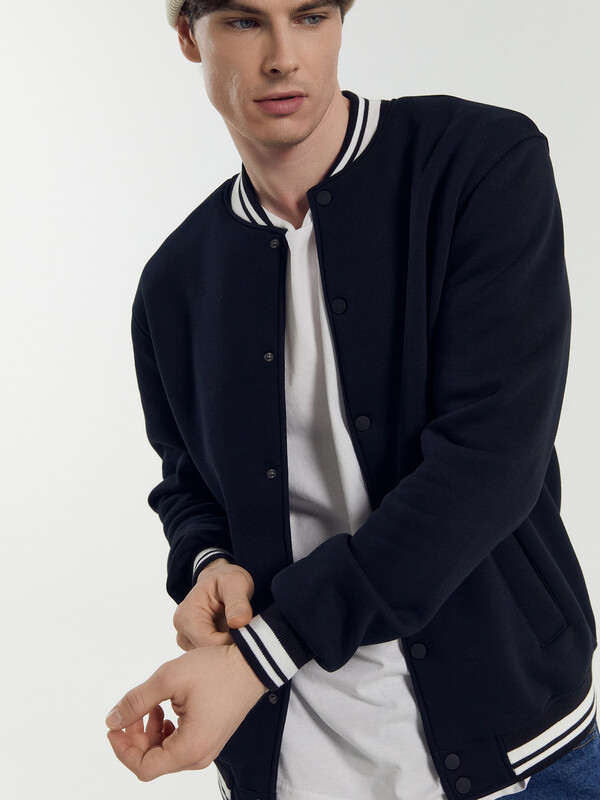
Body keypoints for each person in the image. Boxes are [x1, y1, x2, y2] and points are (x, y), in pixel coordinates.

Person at [106, 2, 599, 798]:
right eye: (244, 22)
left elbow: (491, 464)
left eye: (309, 16)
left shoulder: (477, 164)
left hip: (516, 746)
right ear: (189, 35)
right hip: (289, 759)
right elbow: (187, 482)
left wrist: (257, 659)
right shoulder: (176, 283)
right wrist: (207, 563)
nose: (283, 57)